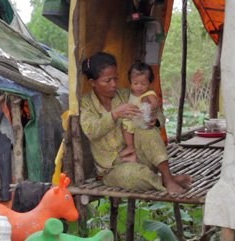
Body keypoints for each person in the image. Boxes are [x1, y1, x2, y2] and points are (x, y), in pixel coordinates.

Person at [79, 52, 191, 194]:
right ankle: (164, 181)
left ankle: (167, 177)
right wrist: (115, 114)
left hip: (141, 156)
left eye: (116, 78)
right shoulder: (86, 103)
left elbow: (159, 116)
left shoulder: (126, 95)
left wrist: (154, 120)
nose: (114, 84)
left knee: (146, 131)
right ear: (93, 82)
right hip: (113, 169)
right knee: (136, 177)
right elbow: (91, 131)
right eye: (108, 81)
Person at [120, 62, 160, 162]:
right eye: (135, 83)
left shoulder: (149, 93)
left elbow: (155, 103)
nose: (139, 87)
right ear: (130, 83)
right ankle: (130, 147)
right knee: (124, 125)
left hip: (143, 120)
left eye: (143, 84)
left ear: (149, 83)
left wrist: (150, 106)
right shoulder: (128, 94)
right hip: (133, 119)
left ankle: (134, 150)